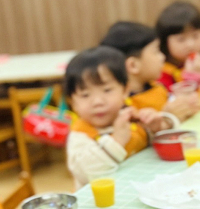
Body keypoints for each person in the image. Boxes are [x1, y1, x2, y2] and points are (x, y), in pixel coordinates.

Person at [64, 47, 150, 188]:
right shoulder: (80, 134)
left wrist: (156, 126)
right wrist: (116, 141)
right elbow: (87, 173)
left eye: (107, 90)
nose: (98, 102)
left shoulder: (130, 116)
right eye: (85, 95)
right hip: (101, 206)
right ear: (73, 103)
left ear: (125, 90)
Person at [99, 21, 200, 130]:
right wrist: (166, 118)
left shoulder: (157, 87)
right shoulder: (120, 106)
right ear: (133, 65)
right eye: (156, 51)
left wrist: (186, 108)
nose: (162, 57)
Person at [155, 1, 200, 90]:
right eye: (181, 39)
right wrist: (192, 77)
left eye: (195, 36)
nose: (190, 45)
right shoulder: (161, 74)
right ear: (164, 42)